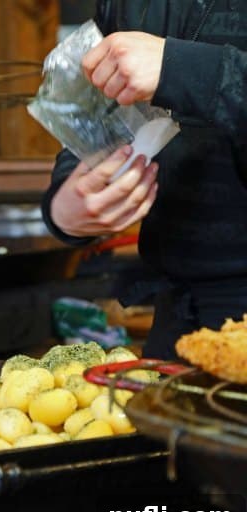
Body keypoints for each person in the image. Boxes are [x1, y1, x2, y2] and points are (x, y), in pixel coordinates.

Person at [41, 0, 247, 359]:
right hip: (174, 319)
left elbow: (182, 71)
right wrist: (68, 203)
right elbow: (94, 113)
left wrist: (187, 70)